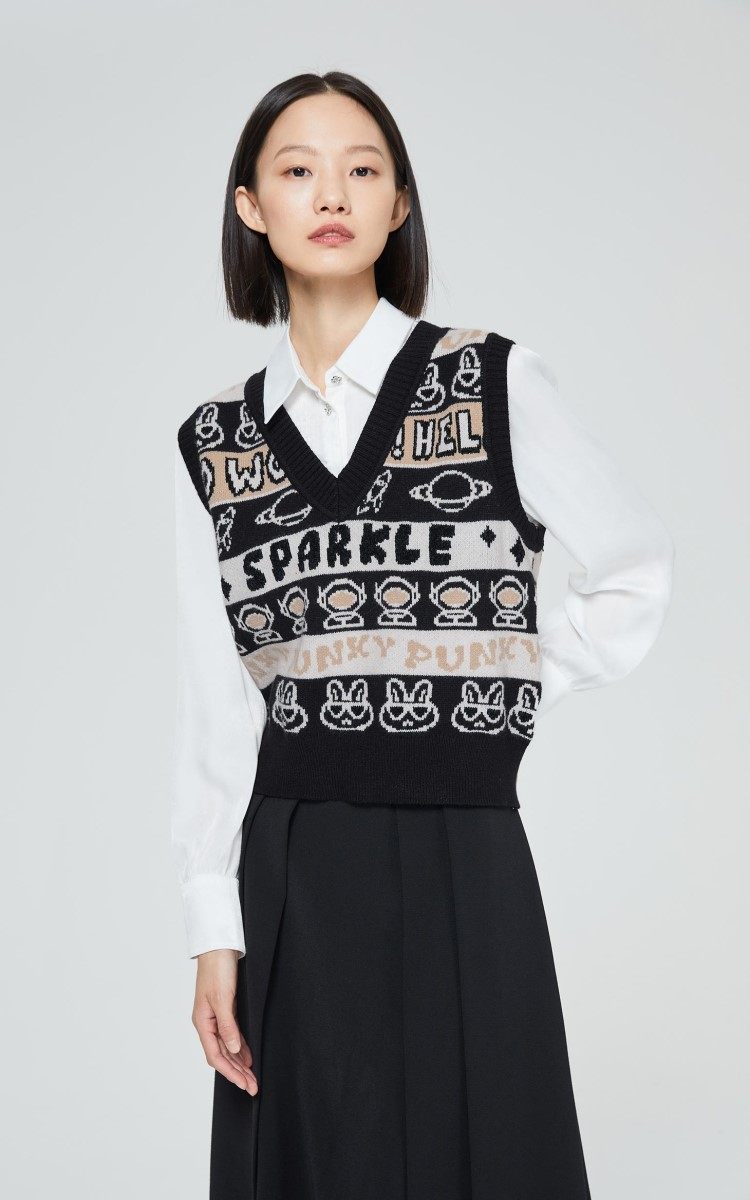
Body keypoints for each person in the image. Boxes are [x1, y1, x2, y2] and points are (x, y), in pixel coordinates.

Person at [171, 71, 674, 1200]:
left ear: (399, 203)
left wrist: (502, 671)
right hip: (291, 867)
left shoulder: (491, 380)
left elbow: (634, 568)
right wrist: (213, 928)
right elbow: (219, 702)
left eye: (363, 169)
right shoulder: (216, 444)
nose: (331, 194)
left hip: (465, 850)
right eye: (297, 169)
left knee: (482, 1155)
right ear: (251, 205)